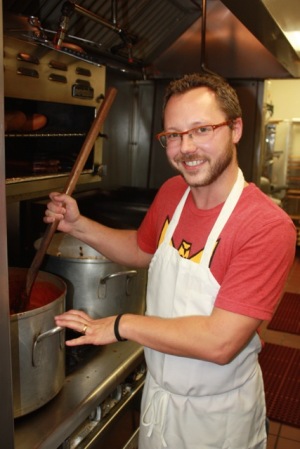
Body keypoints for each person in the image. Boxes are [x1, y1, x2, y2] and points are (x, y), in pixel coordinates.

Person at [44, 73, 296, 449]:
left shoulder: (266, 226)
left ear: (236, 129)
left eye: (201, 129)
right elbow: (142, 250)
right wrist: (78, 225)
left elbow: (220, 342)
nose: (186, 147)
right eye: (173, 135)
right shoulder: (173, 192)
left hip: (217, 419)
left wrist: (119, 325)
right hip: (160, 398)